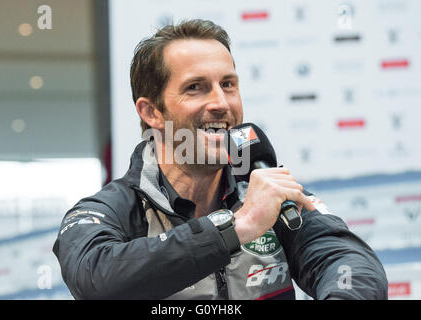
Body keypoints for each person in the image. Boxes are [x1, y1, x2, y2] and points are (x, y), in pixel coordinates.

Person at [53, 19, 388, 300]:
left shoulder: (264, 187)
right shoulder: (108, 209)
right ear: (151, 111)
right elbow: (95, 278)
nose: (220, 103)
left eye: (228, 84)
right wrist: (236, 227)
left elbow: (346, 259)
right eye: (196, 87)